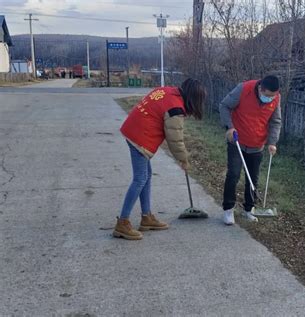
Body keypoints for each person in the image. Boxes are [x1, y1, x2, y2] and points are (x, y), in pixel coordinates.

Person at [114, 78, 206, 240]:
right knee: (140, 178)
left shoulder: (168, 90)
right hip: (140, 136)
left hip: (134, 128)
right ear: (193, 98)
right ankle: (122, 223)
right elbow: (175, 139)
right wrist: (183, 159)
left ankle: (146, 217)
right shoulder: (175, 108)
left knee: (146, 175)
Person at [219, 75, 281, 225]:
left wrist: (272, 142)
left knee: (253, 178)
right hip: (237, 141)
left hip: (257, 144)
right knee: (233, 174)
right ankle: (228, 209)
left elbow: (276, 121)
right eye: (268, 96)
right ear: (261, 89)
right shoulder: (244, 89)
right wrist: (229, 127)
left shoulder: (276, 98)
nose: (270, 99)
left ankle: (249, 209)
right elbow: (224, 106)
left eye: (273, 96)